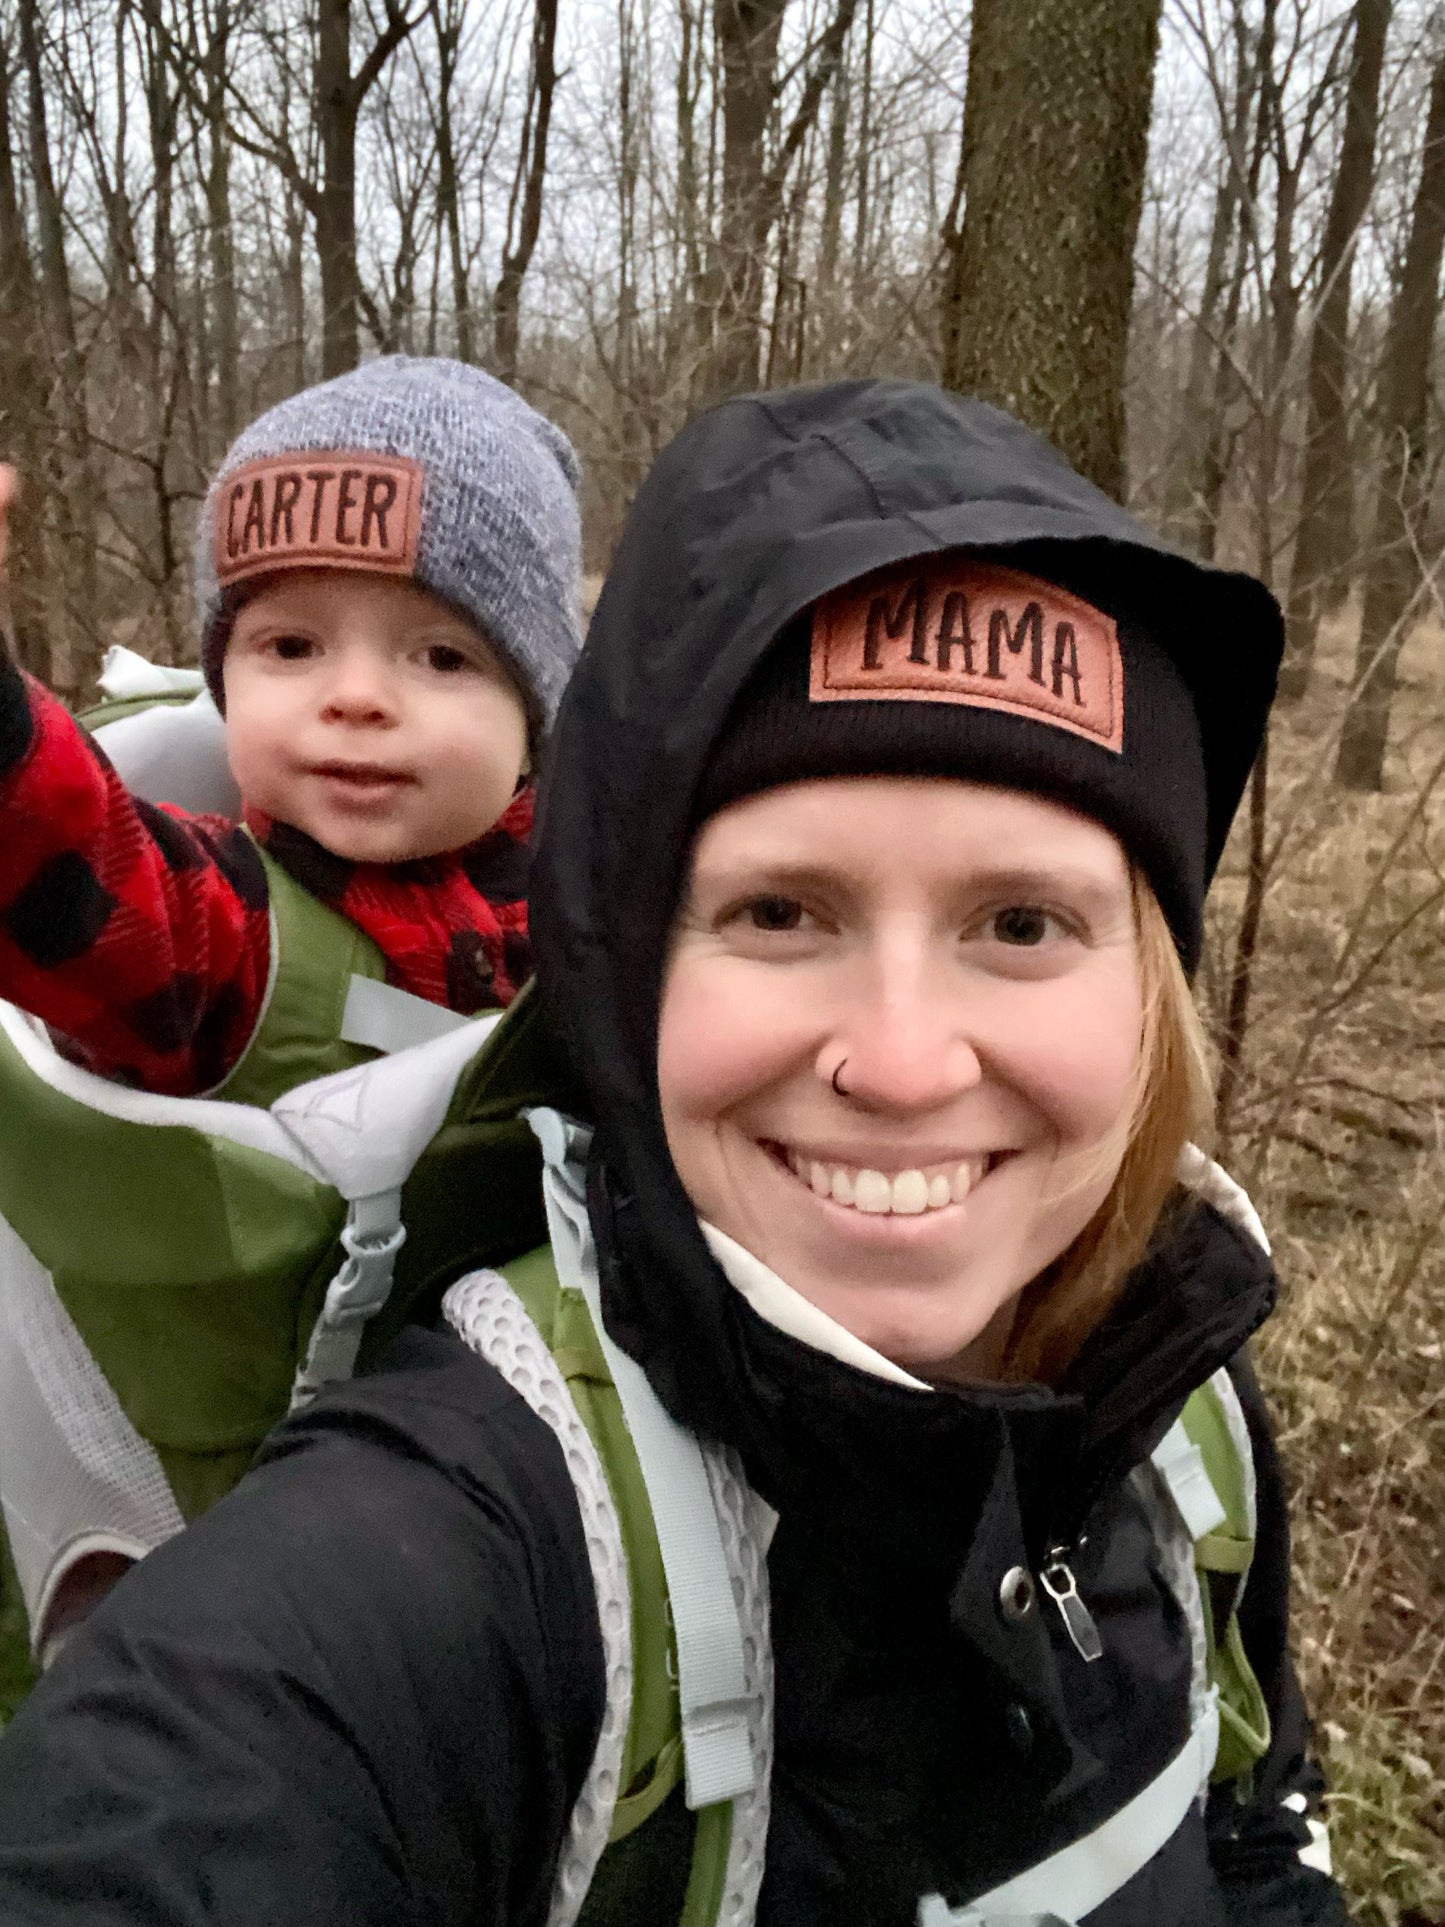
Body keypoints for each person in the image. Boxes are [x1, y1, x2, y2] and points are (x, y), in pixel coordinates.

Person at [0, 380, 1349, 1926]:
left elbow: (1258, 1835)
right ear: (628, 968)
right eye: (778, 912)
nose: (902, 1062)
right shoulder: (472, 1547)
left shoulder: (1187, 1414)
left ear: (1149, 990)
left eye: (1021, 923)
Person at [0, 355, 581, 1096]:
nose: (356, 697)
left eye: (442, 656)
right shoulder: (220, 930)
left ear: (537, 719)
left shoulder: (620, 886)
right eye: (292, 647)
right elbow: (63, 873)